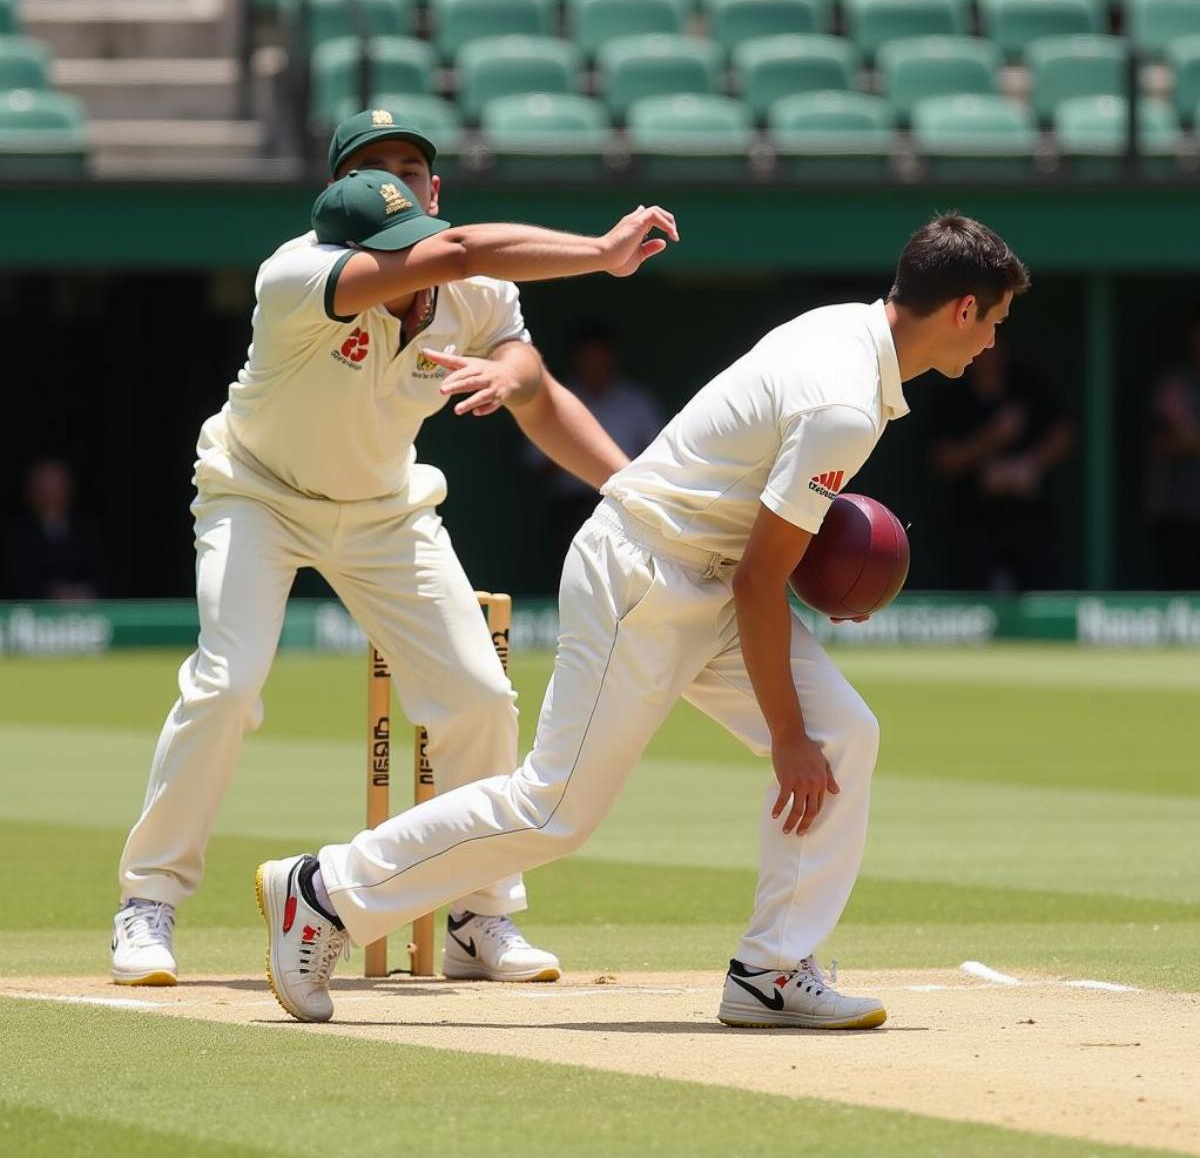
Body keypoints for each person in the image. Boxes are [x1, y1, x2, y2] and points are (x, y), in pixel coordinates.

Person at [255, 213, 1029, 1027]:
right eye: (995, 324)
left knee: (846, 735)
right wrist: (784, 732)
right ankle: (323, 890)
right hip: (645, 575)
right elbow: (763, 581)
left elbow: (756, 540)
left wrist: (821, 608)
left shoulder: (844, 332)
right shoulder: (843, 401)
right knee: (555, 810)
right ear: (964, 308)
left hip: (708, 572)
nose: (991, 346)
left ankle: (769, 970)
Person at [111, 107, 678, 987]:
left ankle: (477, 916)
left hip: (385, 509)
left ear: (435, 187)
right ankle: (148, 902)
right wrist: (602, 256)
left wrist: (634, 492)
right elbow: (456, 254)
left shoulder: (478, 290)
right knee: (228, 685)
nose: (396, 180)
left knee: (480, 697)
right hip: (256, 492)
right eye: (373, 168)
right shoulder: (298, 274)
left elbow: (530, 376)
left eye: (411, 167)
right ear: (337, 199)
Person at [929, 336, 1073, 591]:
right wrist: (991, 438)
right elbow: (942, 460)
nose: (987, 352)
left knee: (1040, 589)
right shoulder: (956, 398)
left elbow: (1064, 433)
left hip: (1030, 521)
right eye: (980, 346)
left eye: (993, 343)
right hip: (974, 523)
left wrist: (1029, 464)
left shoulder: (1027, 388)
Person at [529, 326, 664, 559]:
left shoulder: (635, 400)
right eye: (589, 363)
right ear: (577, 362)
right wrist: (575, 456)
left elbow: (659, 453)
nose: (596, 370)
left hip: (628, 502)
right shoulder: (557, 398)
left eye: (601, 363)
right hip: (572, 506)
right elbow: (535, 462)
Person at [2, 458, 105, 600]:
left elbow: (104, 574)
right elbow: (13, 578)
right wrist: (51, 593)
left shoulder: (88, 531)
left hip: (87, 615)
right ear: (31, 491)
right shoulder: (14, 534)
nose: (51, 494)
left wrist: (83, 592)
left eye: (57, 487)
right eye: (44, 488)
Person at [1148, 315, 1200, 589]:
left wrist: (1190, 435)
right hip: (1179, 512)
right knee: (1179, 593)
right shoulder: (1175, 382)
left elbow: (1189, 439)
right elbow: (1157, 444)